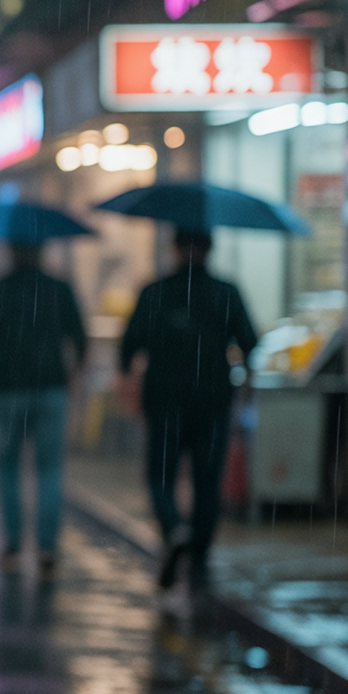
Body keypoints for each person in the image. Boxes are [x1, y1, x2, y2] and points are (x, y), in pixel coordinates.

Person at [119, 226, 257, 590]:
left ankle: (174, 529)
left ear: (176, 248)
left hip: (165, 401)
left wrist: (128, 378)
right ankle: (199, 559)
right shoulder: (226, 292)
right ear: (210, 249)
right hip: (213, 401)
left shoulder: (155, 292)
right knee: (207, 481)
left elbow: (130, 345)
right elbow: (251, 343)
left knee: (160, 476)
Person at [0, 243, 85, 577]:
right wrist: (75, 382)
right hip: (52, 387)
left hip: (8, 389)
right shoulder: (59, 289)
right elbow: (79, 339)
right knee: (49, 468)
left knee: (7, 465)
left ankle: (14, 544)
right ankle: (47, 548)